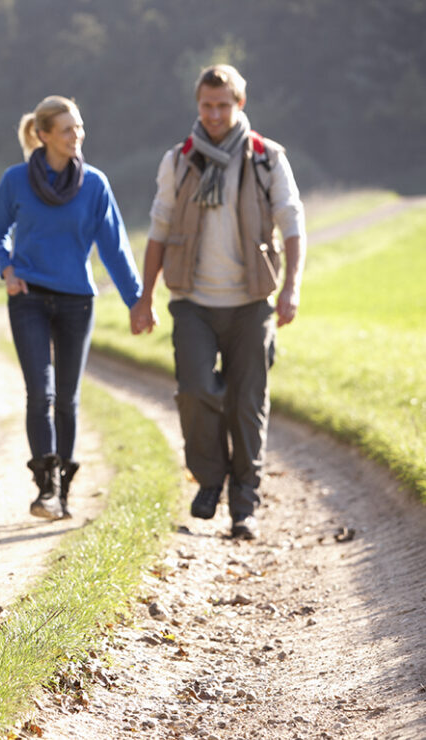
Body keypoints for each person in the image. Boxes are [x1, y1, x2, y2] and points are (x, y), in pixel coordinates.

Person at [130, 64, 306, 540]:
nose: (213, 114)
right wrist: (144, 297)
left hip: (251, 302)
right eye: (206, 105)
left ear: (239, 104)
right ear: (198, 105)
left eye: (222, 105)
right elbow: (160, 229)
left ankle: (244, 504)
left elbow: (292, 221)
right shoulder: (180, 160)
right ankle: (211, 481)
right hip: (192, 301)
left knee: (248, 403)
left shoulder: (266, 158)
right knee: (195, 391)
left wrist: (291, 287)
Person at [0, 96, 142, 521]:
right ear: (44, 135)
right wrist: (7, 269)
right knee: (40, 393)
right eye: (68, 129)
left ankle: (64, 493)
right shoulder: (15, 181)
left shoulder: (95, 185)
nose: (78, 136)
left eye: (80, 127)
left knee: (67, 400)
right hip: (29, 297)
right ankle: (46, 489)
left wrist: (136, 300)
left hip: (77, 301)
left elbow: (114, 246)